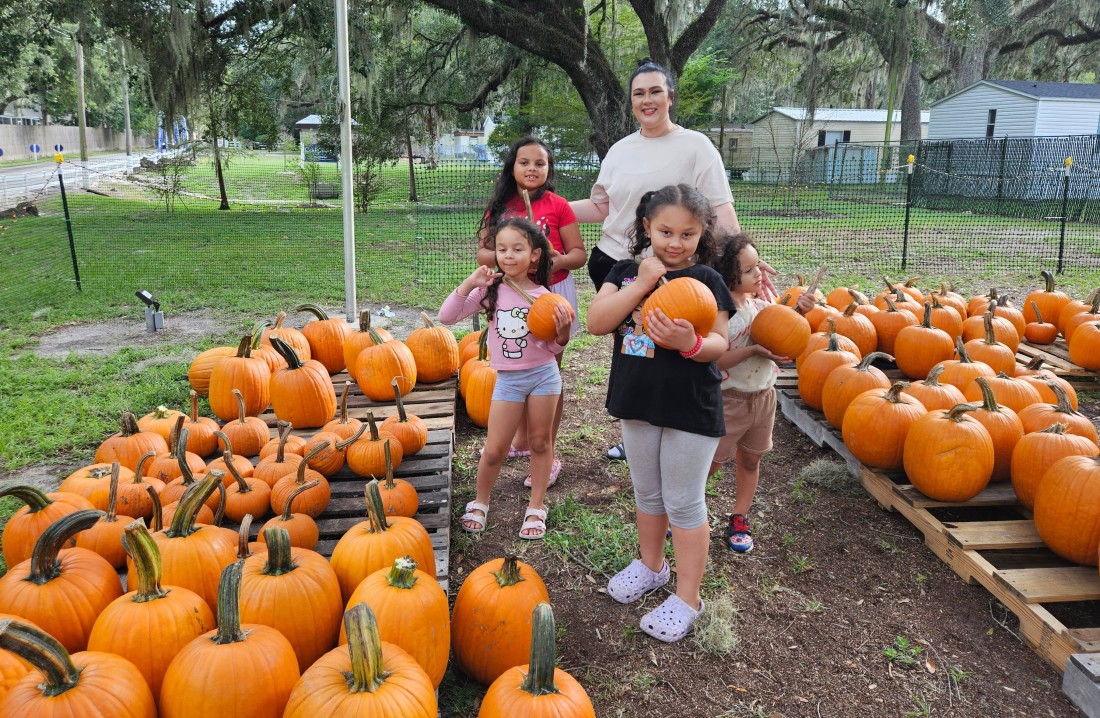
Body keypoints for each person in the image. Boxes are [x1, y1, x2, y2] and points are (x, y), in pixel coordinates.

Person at [568, 58, 773, 462]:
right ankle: (638, 428)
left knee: (673, 345)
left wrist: (748, 260)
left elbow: (721, 211)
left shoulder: (696, 146)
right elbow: (601, 207)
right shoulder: (620, 150)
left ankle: (676, 426)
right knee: (635, 346)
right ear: (631, 102)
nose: (647, 100)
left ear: (670, 97)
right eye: (639, 93)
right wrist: (547, 209)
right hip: (617, 265)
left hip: (677, 271)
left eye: (655, 91)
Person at [586, 184, 734, 642]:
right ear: (647, 227)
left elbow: (720, 342)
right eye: (665, 231)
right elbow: (597, 322)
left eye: (687, 234)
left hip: (691, 408)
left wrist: (688, 343)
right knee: (647, 494)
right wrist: (643, 283)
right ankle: (651, 566)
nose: (675, 242)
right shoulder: (625, 271)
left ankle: (689, 597)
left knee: (684, 502)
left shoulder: (707, 279)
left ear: (701, 233)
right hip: (638, 402)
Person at [441, 217, 573, 539]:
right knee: (495, 449)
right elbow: (447, 316)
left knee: (541, 442)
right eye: (502, 249)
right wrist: (470, 283)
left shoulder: (546, 298)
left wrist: (564, 333)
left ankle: (536, 507)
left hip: (544, 376)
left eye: (517, 249)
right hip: (509, 381)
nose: (508, 255)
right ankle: (481, 501)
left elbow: (553, 346)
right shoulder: (491, 292)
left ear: (535, 255)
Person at [477, 136, 586, 483]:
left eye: (540, 163)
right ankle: (522, 440)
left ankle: (547, 449)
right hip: (511, 293)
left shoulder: (559, 205)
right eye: (524, 162)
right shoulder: (501, 207)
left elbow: (578, 255)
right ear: (512, 166)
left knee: (548, 371)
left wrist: (555, 260)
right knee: (516, 366)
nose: (532, 168)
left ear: (549, 168)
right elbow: (482, 253)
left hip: (551, 293)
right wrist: (512, 259)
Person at [709, 233, 813, 553]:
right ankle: (682, 513)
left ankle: (739, 517)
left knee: (751, 460)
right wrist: (754, 349)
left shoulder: (762, 305)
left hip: (764, 398)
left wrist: (800, 312)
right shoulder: (721, 315)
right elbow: (715, 361)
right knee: (711, 463)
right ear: (728, 274)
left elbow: (783, 329)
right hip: (728, 399)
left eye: (758, 266)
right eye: (750, 269)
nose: (759, 274)